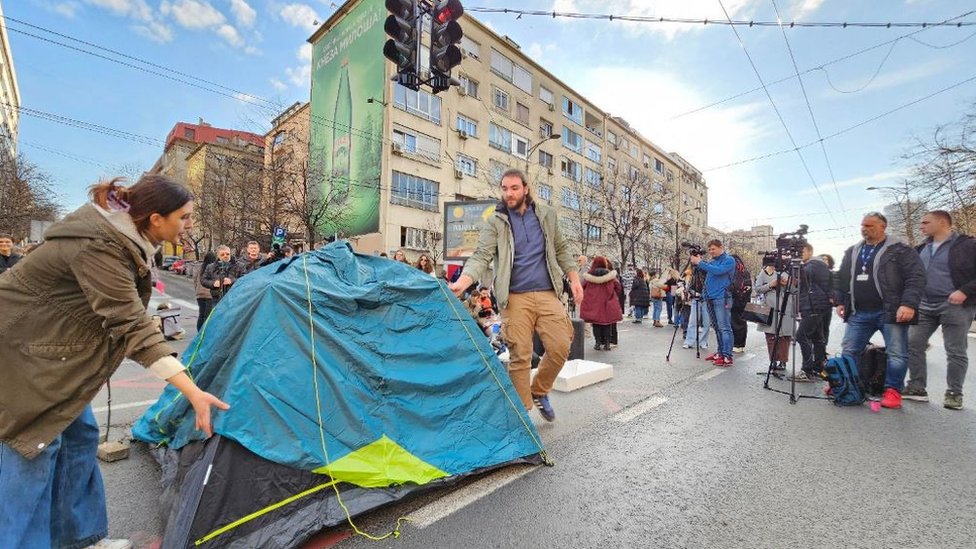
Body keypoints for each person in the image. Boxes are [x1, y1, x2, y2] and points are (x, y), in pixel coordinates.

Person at [0, 176, 229, 549]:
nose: (189, 225)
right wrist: (192, 391)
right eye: (184, 217)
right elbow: (129, 323)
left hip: (52, 354)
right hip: (22, 356)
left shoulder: (127, 241)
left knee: (80, 437)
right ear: (156, 218)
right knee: (33, 447)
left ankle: (78, 538)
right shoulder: (98, 245)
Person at [449, 168, 583, 422]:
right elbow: (481, 256)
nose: (508, 194)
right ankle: (523, 418)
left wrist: (574, 279)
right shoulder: (496, 222)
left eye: (514, 188)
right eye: (504, 189)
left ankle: (540, 390)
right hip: (514, 297)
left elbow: (561, 248)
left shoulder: (546, 215)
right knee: (520, 354)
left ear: (526, 188)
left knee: (560, 346)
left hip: (547, 293)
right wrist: (463, 282)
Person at [836, 212, 926, 410]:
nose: (864, 228)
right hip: (859, 312)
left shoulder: (900, 250)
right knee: (850, 350)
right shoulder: (853, 251)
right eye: (862, 225)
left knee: (897, 353)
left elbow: (916, 277)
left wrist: (908, 303)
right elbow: (841, 278)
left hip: (890, 311)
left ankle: (892, 390)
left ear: (882, 227)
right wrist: (840, 301)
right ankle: (848, 386)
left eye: (869, 225)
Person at [904, 210, 976, 409]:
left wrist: (964, 291)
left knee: (955, 351)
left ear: (943, 222)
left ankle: (954, 393)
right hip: (924, 305)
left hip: (955, 306)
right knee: (912, 344)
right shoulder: (921, 248)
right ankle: (917, 387)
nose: (921, 226)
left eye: (926, 222)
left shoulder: (968, 245)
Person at [690, 240, 736, 366]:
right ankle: (720, 352)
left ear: (721, 247)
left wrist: (700, 262)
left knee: (724, 327)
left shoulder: (729, 260)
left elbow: (718, 271)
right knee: (716, 328)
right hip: (710, 298)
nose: (711, 251)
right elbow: (708, 279)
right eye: (709, 249)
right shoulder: (712, 262)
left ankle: (727, 355)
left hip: (722, 298)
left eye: (713, 249)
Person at [792, 243, 833, 381]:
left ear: (810, 251)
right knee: (817, 338)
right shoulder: (816, 265)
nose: (799, 254)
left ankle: (807, 370)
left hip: (813, 305)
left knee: (801, 335)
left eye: (801, 251)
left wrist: (793, 265)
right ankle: (818, 368)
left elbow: (803, 276)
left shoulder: (814, 264)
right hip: (816, 305)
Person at [755, 264, 793, 372]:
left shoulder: (790, 270)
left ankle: (783, 361)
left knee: (784, 335)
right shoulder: (765, 272)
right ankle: (773, 360)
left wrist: (786, 284)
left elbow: (796, 289)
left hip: (786, 306)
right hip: (769, 307)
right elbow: (757, 289)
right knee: (770, 335)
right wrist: (770, 285)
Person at [581, 256, 623, 350]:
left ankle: (597, 343)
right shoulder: (611, 276)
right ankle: (607, 344)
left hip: (594, 304)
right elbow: (618, 288)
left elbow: (582, 286)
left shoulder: (589, 276)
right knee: (607, 324)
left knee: (596, 324)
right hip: (607, 303)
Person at [194, 251, 217, 331]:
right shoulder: (213, 268)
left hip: (199, 295)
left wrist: (196, 290)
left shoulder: (200, 267)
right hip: (209, 295)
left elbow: (195, 280)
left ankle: (199, 331)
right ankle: (204, 332)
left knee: (201, 315)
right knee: (208, 316)